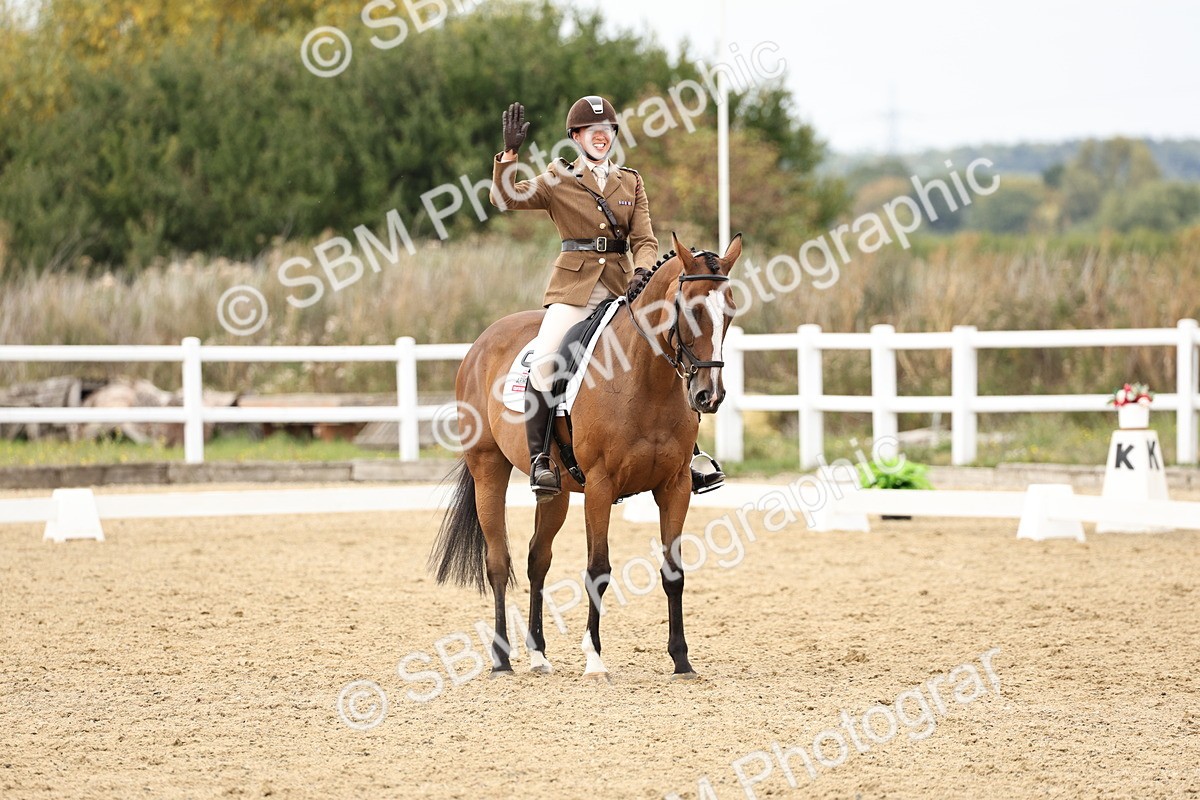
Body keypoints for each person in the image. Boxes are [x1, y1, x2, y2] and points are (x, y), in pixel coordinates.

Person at [489, 95, 724, 499]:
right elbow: (505, 199)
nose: (602, 137)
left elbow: (645, 239)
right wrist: (509, 155)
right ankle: (542, 459)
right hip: (573, 291)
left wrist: (642, 272)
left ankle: (689, 457)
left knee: (665, 355)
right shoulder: (557, 180)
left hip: (622, 290)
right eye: (594, 132)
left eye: (608, 131)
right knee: (547, 362)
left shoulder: (630, 181)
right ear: (576, 136)